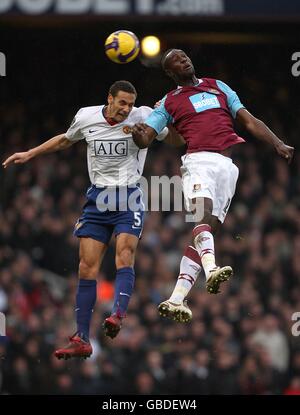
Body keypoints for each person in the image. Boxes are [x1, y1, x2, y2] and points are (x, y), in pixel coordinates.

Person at [2, 80, 168, 359]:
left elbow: (172, 136)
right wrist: (31, 153)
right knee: (86, 268)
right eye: (122, 103)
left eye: (130, 104)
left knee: (124, 255)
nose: (126, 109)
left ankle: (117, 314)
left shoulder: (142, 116)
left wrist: (165, 113)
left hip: (129, 196)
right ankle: (82, 338)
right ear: (110, 99)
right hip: (98, 199)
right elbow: (66, 139)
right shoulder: (86, 116)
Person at [132, 49, 294, 324]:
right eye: (177, 61)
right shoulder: (169, 102)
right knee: (201, 215)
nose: (184, 60)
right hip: (198, 161)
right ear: (171, 73)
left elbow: (248, 120)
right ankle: (211, 270)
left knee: (207, 228)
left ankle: (176, 298)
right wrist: (139, 136)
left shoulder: (218, 86)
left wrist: (277, 142)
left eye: (184, 56)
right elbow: (147, 137)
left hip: (227, 167)